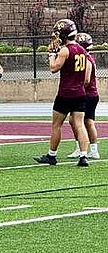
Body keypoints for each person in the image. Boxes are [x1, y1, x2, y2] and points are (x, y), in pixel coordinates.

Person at [35, 19, 90, 167]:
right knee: (80, 124)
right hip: (80, 92)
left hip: (65, 93)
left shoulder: (65, 50)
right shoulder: (83, 51)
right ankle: (84, 155)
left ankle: (52, 155)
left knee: (56, 125)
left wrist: (51, 54)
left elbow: (53, 68)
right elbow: (86, 78)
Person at [67, 33, 100, 159]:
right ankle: (89, 148)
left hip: (87, 94)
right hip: (91, 94)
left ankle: (87, 148)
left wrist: (76, 86)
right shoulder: (87, 57)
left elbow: (86, 80)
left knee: (82, 121)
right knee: (85, 121)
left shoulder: (86, 59)